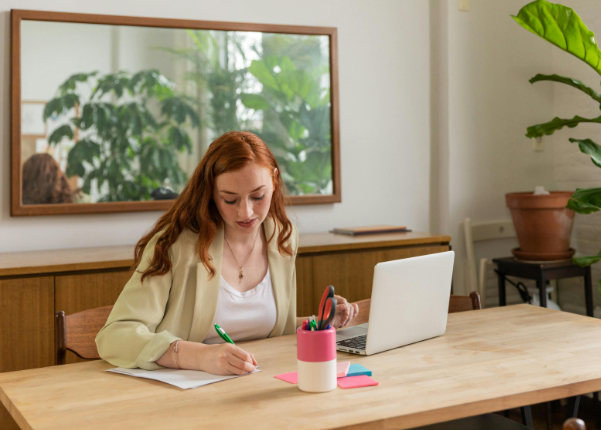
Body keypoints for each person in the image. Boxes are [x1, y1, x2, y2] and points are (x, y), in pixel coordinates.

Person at [96, 131, 359, 375]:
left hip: (258, 387)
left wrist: (319, 324)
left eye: (258, 196)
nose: (245, 212)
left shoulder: (282, 238)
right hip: (183, 397)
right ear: (210, 193)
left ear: (275, 181)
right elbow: (115, 335)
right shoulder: (175, 244)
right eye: (230, 200)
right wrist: (199, 356)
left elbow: (271, 328)